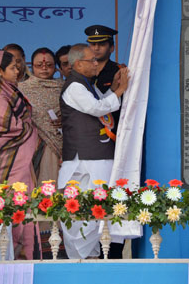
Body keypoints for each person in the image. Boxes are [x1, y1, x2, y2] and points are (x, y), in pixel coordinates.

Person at [58, 44, 129, 259]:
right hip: (85, 159)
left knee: (100, 210)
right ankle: (85, 261)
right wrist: (119, 91)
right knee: (83, 212)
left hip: (97, 156)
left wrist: (112, 88)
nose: (97, 63)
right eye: (92, 60)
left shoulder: (87, 84)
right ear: (78, 64)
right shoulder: (74, 86)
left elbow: (100, 101)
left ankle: (96, 258)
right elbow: (97, 108)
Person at [0, 50, 44, 260]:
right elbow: (8, 128)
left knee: (23, 199)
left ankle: (25, 251)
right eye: (13, 68)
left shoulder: (9, 89)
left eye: (18, 67)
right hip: (4, 157)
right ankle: (12, 253)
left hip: (17, 155)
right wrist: (32, 130)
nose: (18, 71)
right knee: (14, 200)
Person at [19, 47, 63, 185]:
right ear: (31, 67)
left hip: (57, 143)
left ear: (55, 68)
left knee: (53, 182)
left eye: (49, 65)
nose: (44, 68)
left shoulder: (63, 87)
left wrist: (65, 120)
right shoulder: (22, 88)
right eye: (39, 65)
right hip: (30, 142)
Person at [85, 25, 123, 137]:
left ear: (112, 48)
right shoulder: (82, 72)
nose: (96, 48)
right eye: (93, 44)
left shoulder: (119, 71)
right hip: (88, 133)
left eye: (101, 44)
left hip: (113, 132)